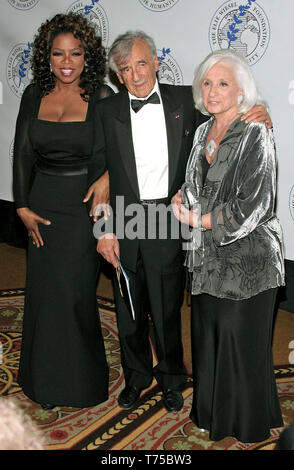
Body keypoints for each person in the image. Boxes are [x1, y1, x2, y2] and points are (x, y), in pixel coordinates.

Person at [94, 31, 271, 413]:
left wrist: (264, 110)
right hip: (125, 217)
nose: (136, 74)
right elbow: (98, 175)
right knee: (128, 309)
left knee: (166, 309)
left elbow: (230, 114)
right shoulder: (105, 111)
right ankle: (136, 377)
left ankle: (172, 380)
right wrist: (103, 230)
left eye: (142, 63)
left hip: (167, 215)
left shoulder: (183, 101)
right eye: (126, 69)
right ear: (118, 76)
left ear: (156, 61)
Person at [172, 49, 284, 442]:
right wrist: (180, 199)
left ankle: (248, 420)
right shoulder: (203, 131)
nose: (213, 90)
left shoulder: (256, 130)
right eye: (207, 82)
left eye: (223, 83)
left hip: (248, 260)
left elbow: (257, 203)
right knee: (209, 337)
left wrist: (199, 220)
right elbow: (193, 183)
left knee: (238, 341)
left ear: (241, 92)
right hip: (207, 259)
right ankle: (213, 416)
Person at [13, 13, 114, 409]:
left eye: (75, 53)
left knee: (73, 295)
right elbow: (22, 153)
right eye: (58, 53)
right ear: (47, 57)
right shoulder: (33, 93)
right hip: (41, 202)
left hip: (83, 207)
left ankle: (81, 383)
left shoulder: (102, 97)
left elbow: (120, 151)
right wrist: (21, 205)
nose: (66, 61)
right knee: (44, 294)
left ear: (88, 56)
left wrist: (106, 176)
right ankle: (42, 382)